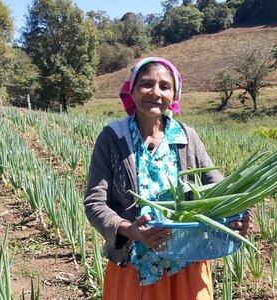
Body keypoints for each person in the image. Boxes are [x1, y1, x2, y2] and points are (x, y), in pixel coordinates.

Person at [84, 57, 253, 300]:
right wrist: (130, 230)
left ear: (175, 95)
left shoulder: (186, 137)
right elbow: (95, 203)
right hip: (134, 265)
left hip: (188, 259)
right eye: (146, 84)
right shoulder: (113, 138)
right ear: (132, 89)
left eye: (164, 86)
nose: (155, 92)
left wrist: (238, 215)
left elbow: (218, 188)